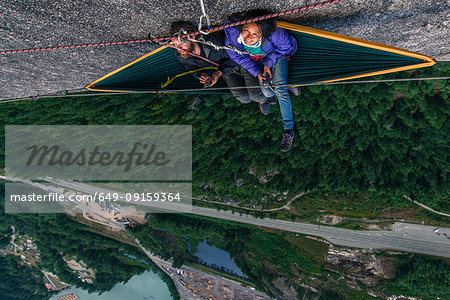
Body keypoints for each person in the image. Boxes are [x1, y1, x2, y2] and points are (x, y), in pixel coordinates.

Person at [224, 11, 299, 152]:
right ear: (242, 27)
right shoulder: (234, 36)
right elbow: (239, 58)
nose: (248, 38)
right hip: (260, 60)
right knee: (266, 91)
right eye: (246, 31)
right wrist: (257, 72)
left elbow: (286, 47)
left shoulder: (275, 33)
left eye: (254, 34)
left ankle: (289, 130)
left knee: (279, 89)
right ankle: (288, 86)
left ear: (262, 34)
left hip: (277, 55)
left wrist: (268, 64)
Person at [169, 21, 268, 105]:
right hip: (225, 70)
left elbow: (234, 56)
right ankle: (262, 100)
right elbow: (190, 67)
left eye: (182, 43)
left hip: (241, 62)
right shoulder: (181, 55)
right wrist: (201, 75)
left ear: (193, 37)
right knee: (244, 99)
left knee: (256, 96)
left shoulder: (213, 43)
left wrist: (219, 72)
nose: (179, 48)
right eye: (176, 44)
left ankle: (264, 101)